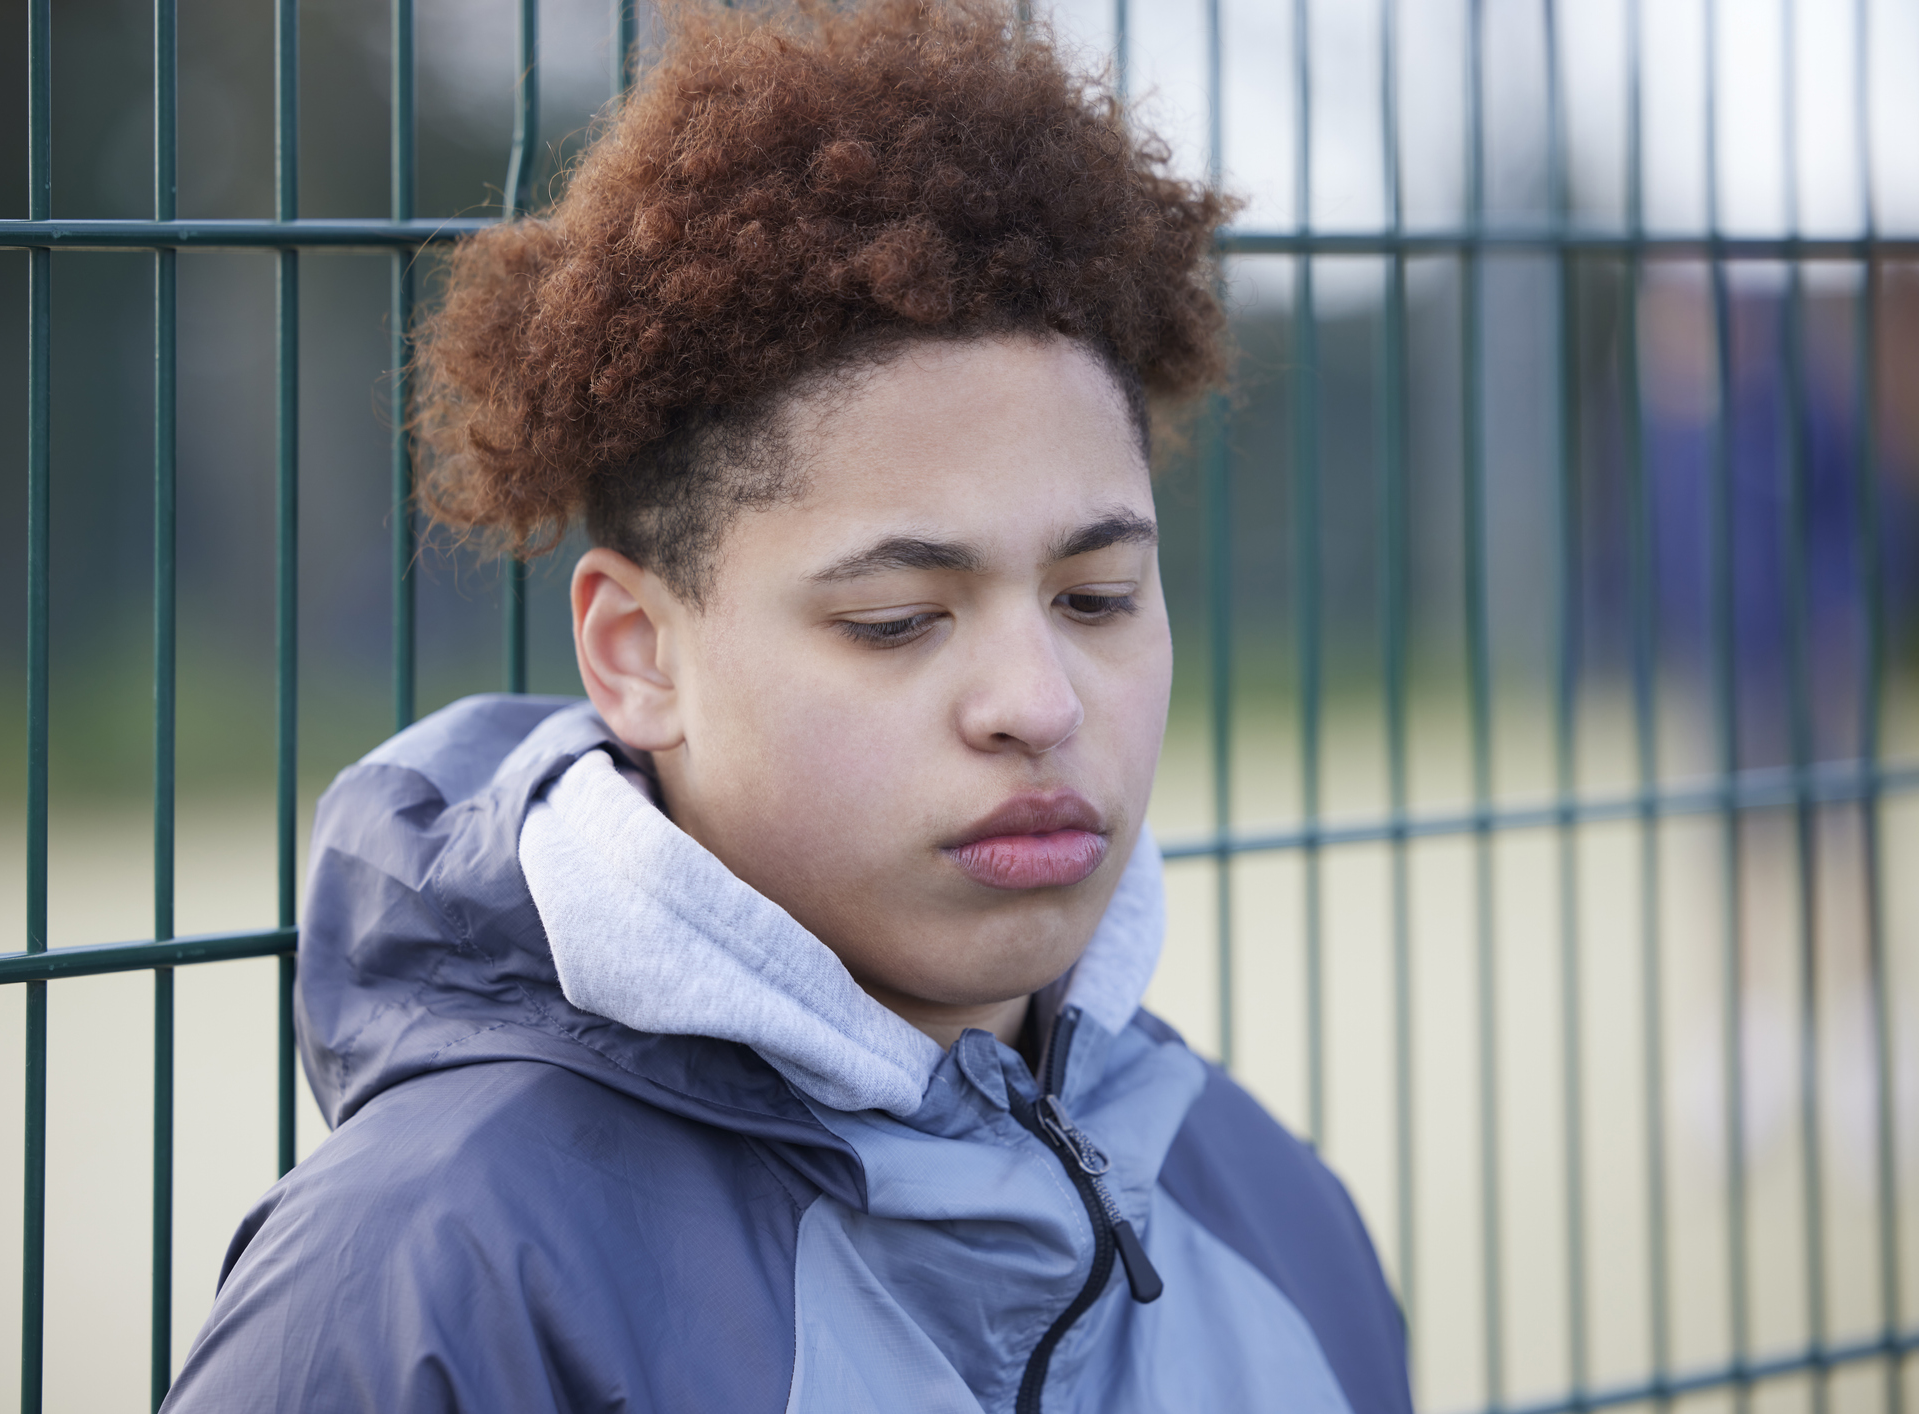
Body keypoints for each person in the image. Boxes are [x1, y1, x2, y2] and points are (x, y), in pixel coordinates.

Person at [162, 2, 1409, 1409]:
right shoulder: (426, 1294)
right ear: (638, 653)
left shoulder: (1283, 1223)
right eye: (898, 620)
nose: (1039, 703)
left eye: (1099, 595)